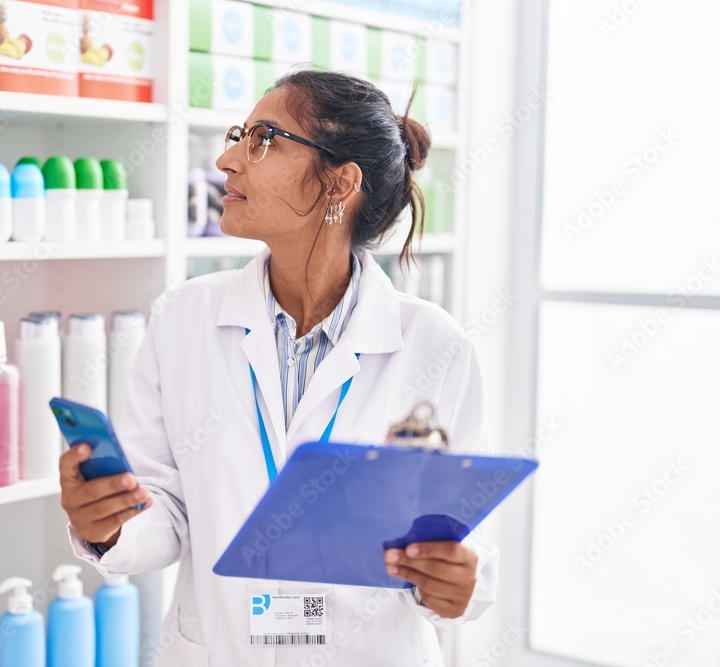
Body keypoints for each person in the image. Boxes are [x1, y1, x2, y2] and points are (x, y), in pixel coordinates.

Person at [60, 69, 498, 666]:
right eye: (240, 134)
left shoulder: (434, 347)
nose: (226, 159)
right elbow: (163, 508)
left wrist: (458, 580)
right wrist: (109, 523)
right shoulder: (184, 317)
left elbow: (459, 538)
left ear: (340, 183)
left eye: (262, 138)